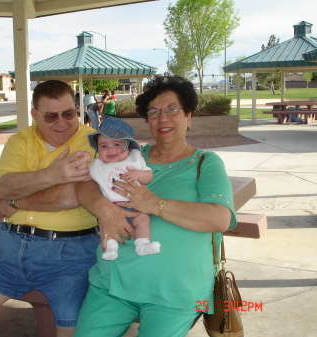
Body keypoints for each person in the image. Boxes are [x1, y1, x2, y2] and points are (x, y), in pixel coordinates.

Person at [74, 75, 237, 337]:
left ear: (188, 116)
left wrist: (154, 203)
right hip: (112, 284)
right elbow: (84, 183)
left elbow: (219, 219)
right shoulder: (130, 155)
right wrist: (102, 208)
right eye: (154, 112)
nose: (163, 118)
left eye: (172, 109)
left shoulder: (206, 163)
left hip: (177, 293)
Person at [0, 80, 100, 337]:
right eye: (51, 116)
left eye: (68, 113)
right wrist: (52, 174)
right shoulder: (20, 140)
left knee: (72, 328)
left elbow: (70, 196)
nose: (62, 122)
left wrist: (15, 202)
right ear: (35, 115)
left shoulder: (92, 141)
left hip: (69, 256)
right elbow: (5, 185)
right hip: (10, 249)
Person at [87, 117, 160, 260]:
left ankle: (142, 244)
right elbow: (86, 182)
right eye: (103, 146)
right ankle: (110, 249)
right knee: (107, 227)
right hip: (111, 207)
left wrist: (139, 174)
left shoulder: (134, 160)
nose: (110, 149)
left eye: (117, 144)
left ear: (129, 147)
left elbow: (149, 176)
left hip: (136, 208)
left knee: (144, 219)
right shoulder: (98, 165)